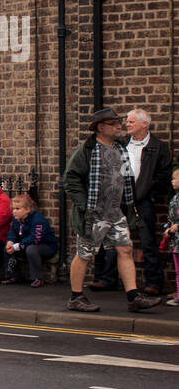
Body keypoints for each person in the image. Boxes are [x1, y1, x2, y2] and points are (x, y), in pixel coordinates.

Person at [62, 107, 161, 312]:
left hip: (116, 212)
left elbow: (126, 179)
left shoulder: (121, 149)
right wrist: (84, 206)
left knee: (125, 249)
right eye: (114, 124)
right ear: (101, 127)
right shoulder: (87, 150)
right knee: (85, 253)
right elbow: (70, 179)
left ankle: (134, 297)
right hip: (93, 214)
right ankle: (76, 297)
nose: (119, 126)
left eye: (119, 123)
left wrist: (129, 204)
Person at [91, 109, 171, 295]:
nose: (127, 124)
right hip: (117, 199)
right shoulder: (120, 144)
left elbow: (164, 174)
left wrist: (148, 190)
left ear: (145, 124)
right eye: (127, 122)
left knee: (147, 240)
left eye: (132, 122)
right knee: (113, 239)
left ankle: (153, 283)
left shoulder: (158, 146)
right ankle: (107, 279)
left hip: (142, 200)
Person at [1, 193, 58, 286]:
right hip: (25, 244)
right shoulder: (16, 219)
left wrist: (18, 245)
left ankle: (37, 278)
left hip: (46, 246)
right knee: (8, 249)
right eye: (13, 209)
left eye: (18, 209)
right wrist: (10, 242)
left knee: (31, 249)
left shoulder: (38, 219)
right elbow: (12, 233)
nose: (14, 211)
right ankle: (13, 275)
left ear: (28, 209)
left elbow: (35, 238)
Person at [161, 167, 179, 306]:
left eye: (175, 178)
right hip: (175, 242)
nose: (172, 181)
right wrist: (167, 229)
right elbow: (170, 219)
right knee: (178, 271)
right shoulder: (174, 199)